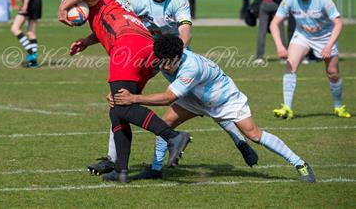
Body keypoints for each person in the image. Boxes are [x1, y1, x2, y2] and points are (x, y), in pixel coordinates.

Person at [88, 0, 258, 179]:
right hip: (145, 54)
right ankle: (114, 161)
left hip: (174, 57)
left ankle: (239, 141)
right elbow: (118, 26)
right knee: (120, 99)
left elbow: (185, 31)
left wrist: (176, 55)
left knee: (210, 102)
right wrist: (87, 40)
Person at [114, 34, 316, 183]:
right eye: (162, 63)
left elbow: (168, 98)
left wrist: (133, 98)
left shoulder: (191, 66)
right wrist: (119, 92)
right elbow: (142, 75)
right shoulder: (163, 58)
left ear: (180, 55)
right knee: (164, 124)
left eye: (170, 63)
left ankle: (300, 163)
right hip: (194, 98)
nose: (166, 67)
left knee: (254, 134)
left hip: (225, 99)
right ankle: (156, 169)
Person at [58, 0, 192, 183]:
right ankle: (121, 170)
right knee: (117, 109)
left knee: (122, 104)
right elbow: (106, 28)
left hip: (128, 46)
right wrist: (86, 41)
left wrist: (63, 8)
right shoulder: (111, 10)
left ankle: (172, 137)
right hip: (147, 49)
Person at [270, 0, 351, 119]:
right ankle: (287, 107)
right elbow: (275, 23)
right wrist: (280, 46)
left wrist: (328, 46)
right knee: (290, 64)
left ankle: (338, 106)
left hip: (326, 38)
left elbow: (338, 23)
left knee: (332, 73)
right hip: (302, 36)